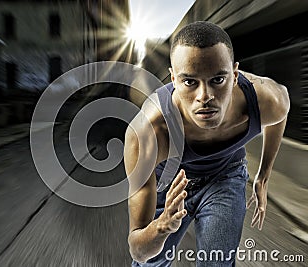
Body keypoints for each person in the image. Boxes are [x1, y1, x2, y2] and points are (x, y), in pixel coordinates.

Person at [124, 21, 290, 266]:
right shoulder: (149, 134)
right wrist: (161, 226)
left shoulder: (268, 101)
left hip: (226, 176)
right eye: (190, 82)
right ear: (173, 80)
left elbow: (280, 115)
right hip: (169, 184)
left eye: (218, 80)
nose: (205, 97)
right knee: (150, 261)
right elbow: (138, 250)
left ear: (234, 76)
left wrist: (263, 176)